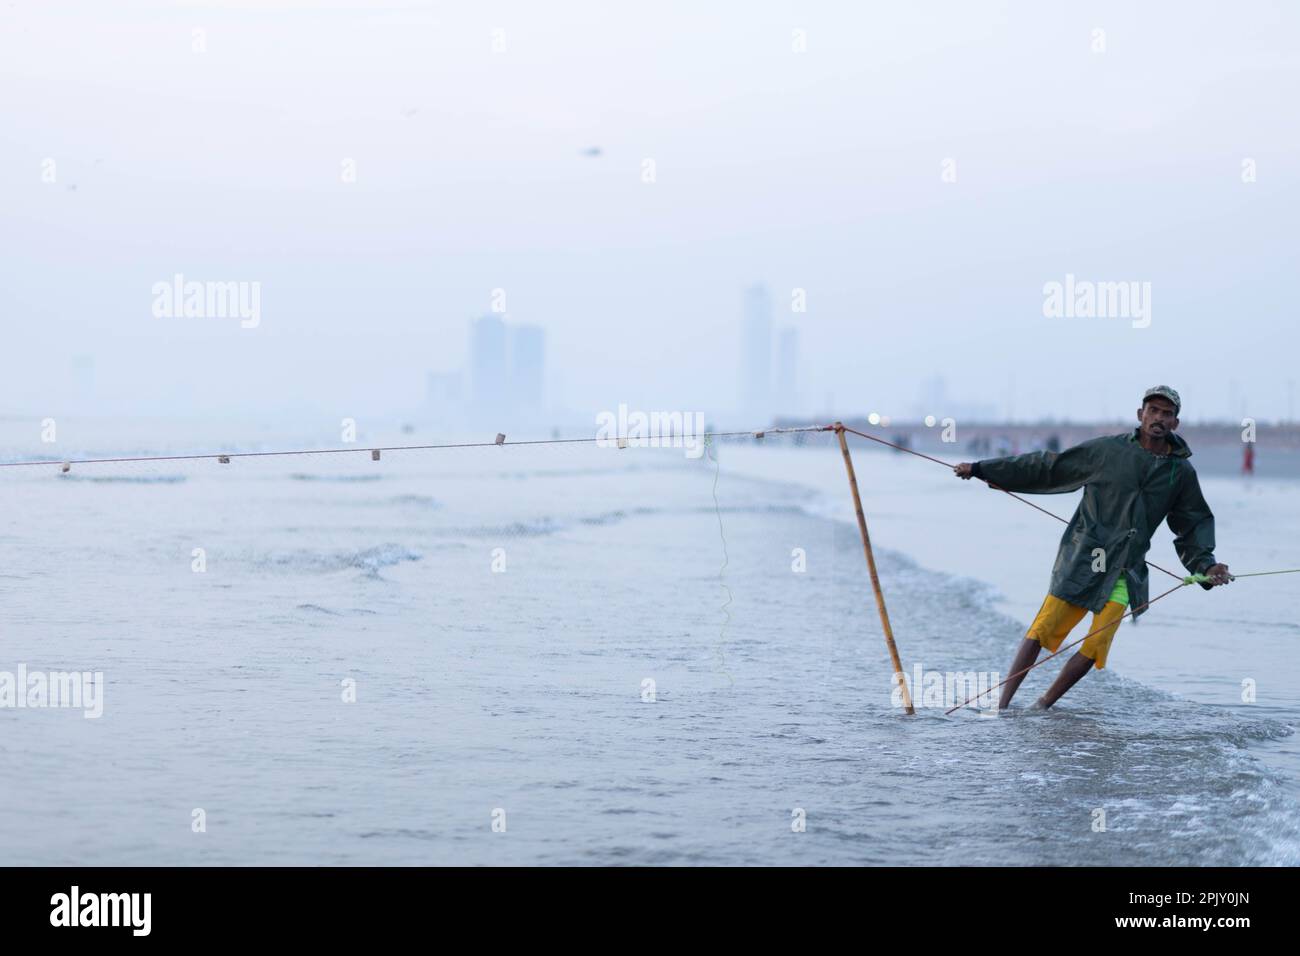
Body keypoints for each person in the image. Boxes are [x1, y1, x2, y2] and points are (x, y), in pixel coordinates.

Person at [953, 386, 1231, 709]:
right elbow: (1050, 467)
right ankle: (1001, 706)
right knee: (1044, 629)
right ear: (1140, 416)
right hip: (1085, 557)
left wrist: (1206, 567)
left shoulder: (1180, 472)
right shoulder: (1107, 452)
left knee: (1097, 643)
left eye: (1166, 413)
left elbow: (1192, 524)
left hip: (1126, 569)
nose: (1158, 418)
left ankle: (1041, 706)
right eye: (1153, 410)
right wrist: (982, 469)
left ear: (1176, 423)